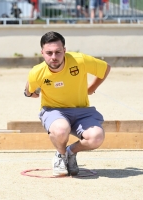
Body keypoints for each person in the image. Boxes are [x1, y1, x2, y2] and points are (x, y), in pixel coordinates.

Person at [24, 31, 111, 176]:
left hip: (82, 111)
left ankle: (70, 152)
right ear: (42, 53)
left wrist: (92, 88)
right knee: (61, 130)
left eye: (58, 52)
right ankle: (60, 155)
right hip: (54, 111)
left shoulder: (79, 60)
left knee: (96, 137)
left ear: (65, 50)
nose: (54, 57)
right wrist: (29, 90)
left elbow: (105, 68)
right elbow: (29, 92)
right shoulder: (36, 72)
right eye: (49, 53)